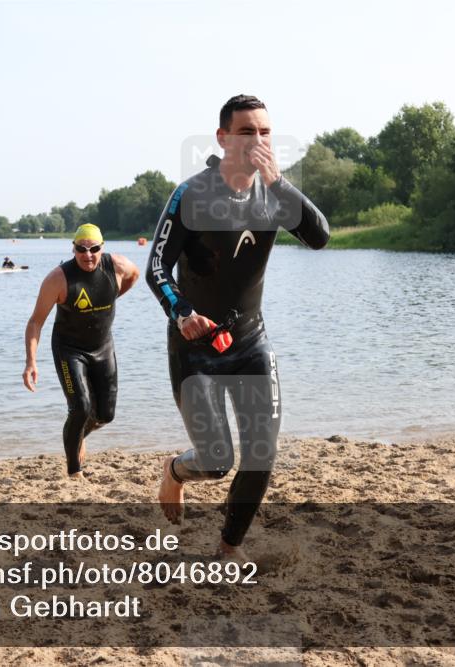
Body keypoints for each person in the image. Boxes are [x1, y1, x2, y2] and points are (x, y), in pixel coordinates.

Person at [145, 94, 329, 560]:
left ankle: (228, 547)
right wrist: (182, 312)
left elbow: (319, 237)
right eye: (247, 131)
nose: (258, 140)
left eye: (265, 132)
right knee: (216, 461)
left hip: (250, 341)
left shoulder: (274, 195)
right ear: (223, 138)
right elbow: (157, 269)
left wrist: (279, 183)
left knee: (262, 454)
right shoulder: (192, 194)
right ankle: (175, 473)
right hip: (195, 348)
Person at [23, 224, 140, 478]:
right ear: (73, 249)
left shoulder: (117, 266)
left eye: (94, 249)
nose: (88, 255)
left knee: (105, 415)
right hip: (69, 349)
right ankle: (74, 471)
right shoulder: (58, 279)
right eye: (81, 249)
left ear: (102, 248)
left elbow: (135, 275)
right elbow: (35, 322)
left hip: (102, 346)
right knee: (80, 408)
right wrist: (31, 361)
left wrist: (112, 297)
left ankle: (78, 434)